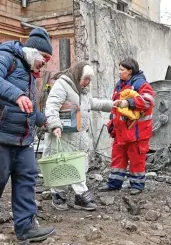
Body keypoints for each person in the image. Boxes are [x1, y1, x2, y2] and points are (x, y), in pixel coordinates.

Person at [0, 28, 55, 244]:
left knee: (28, 175)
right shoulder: (5, 56)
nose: (45, 63)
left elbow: (28, 106)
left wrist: (43, 120)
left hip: (22, 137)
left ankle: (25, 227)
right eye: (45, 58)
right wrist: (16, 94)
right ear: (34, 52)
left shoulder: (30, 74)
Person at [43, 62, 113, 211]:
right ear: (78, 75)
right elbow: (52, 106)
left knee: (76, 165)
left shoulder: (83, 90)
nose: (87, 82)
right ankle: (62, 195)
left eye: (89, 79)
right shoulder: (62, 85)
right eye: (85, 78)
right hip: (63, 135)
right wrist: (55, 124)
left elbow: (92, 103)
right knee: (62, 164)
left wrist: (114, 105)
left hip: (78, 136)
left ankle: (73, 196)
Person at [99, 58, 154, 195]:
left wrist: (128, 102)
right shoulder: (119, 85)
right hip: (121, 131)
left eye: (122, 69)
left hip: (137, 132)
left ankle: (137, 185)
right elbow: (115, 108)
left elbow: (148, 101)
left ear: (130, 71)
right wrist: (112, 124)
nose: (119, 72)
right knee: (118, 158)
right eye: (119, 69)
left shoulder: (141, 84)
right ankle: (114, 184)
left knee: (136, 160)